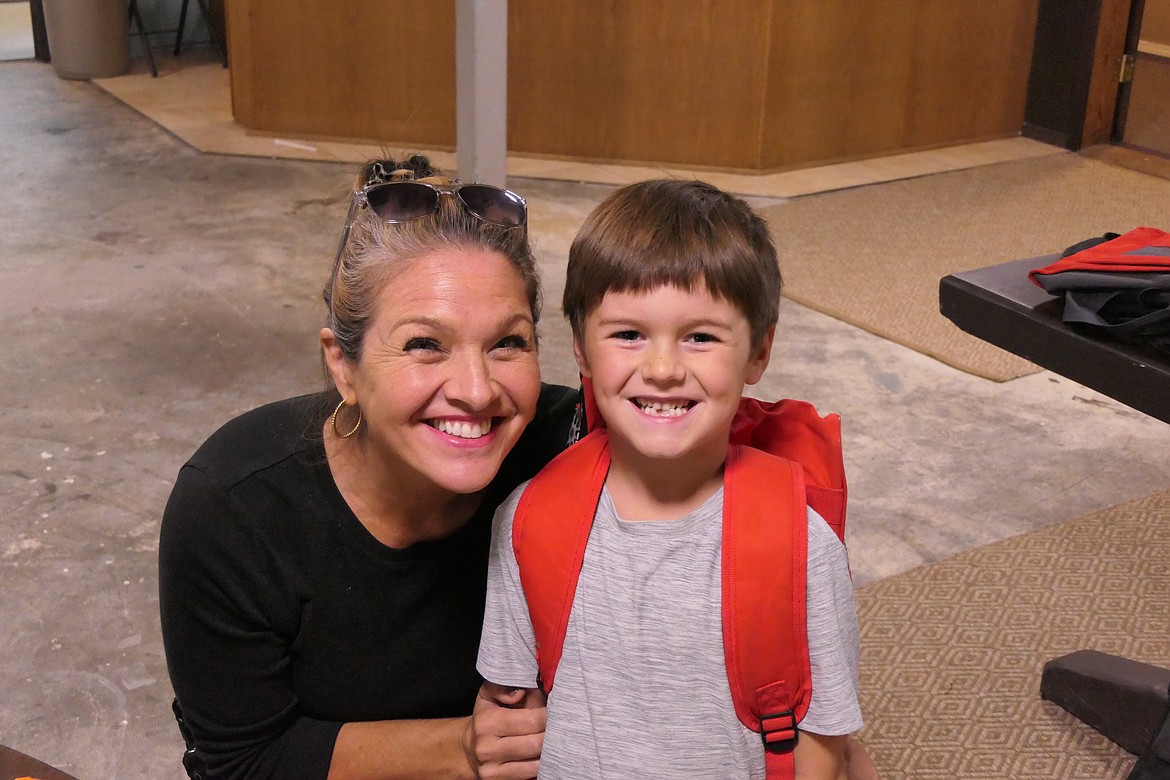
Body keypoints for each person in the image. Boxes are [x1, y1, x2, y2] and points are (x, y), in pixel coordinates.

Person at [158, 156, 581, 779]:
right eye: (424, 345)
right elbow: (243, 761)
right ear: (343, 366)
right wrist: (467, 746)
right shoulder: (234, 507)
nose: (477, 390)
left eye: (507, 343)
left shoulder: (568, 448)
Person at [477, 179, 867, 779]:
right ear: (581, 349)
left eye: (701, 337)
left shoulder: (800, 545)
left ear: (758, 353)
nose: (662, 369)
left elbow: (822, 740)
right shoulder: (528, 520)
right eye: (628, 334)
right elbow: (513, 713)